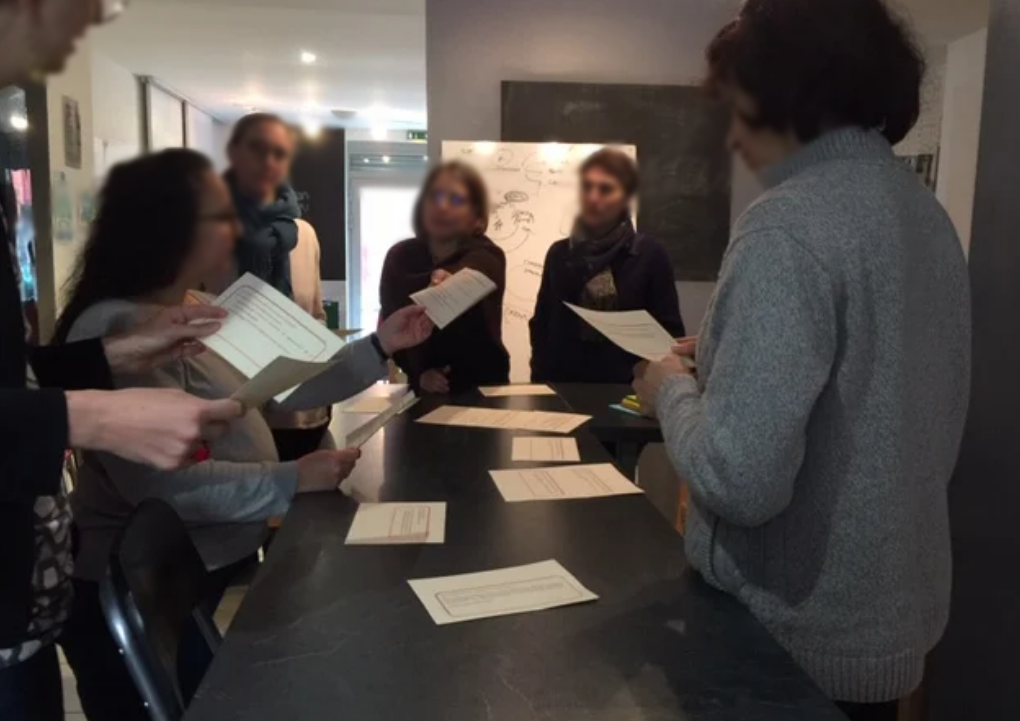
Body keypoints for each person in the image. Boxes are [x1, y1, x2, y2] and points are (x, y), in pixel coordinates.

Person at [632, 1, 970, 719]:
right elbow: (878, 389)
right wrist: (726, 358)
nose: (730, 135)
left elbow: (741, 479)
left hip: (787, 636)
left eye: (736, 105)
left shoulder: (789, 224)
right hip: (886, 611)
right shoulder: (922, 213)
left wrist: (668, 389)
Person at [51, 149, 432, 721]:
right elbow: (165, 488)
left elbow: (285, 382)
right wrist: (290, 479)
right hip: (131, 590)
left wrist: (379, 346)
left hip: (195, 573)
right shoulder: (114, 327)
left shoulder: (197, 305)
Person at [0, 2, 245, 719]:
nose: (87, 27)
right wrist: (94, 413)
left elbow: (14, 379)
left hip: (27, 598)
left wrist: (109, 357)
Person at [220, 113, 333, 459]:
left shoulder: (304, 233)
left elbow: (315, 315)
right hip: (236, 405)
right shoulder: (214, 234)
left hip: (301, 406)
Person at [530, 149, 684, 383]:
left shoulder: (649, 254)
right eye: (587, 187)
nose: (593, 197)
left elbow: (670, 333)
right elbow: (542, 325)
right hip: (562, 391)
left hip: (627, 393)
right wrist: (540, 385)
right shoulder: (559, 253)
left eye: (605, 189)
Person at [380, 161, 510, 394]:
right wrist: (419, 373)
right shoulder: (400, 258)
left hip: (482, 394)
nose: (443, 207)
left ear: (477, 218)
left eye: (457, 200)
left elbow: (475, 271)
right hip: (420, 394)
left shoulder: (487, 256)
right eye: (435, 197)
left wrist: (449, 281)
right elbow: (392, 328)